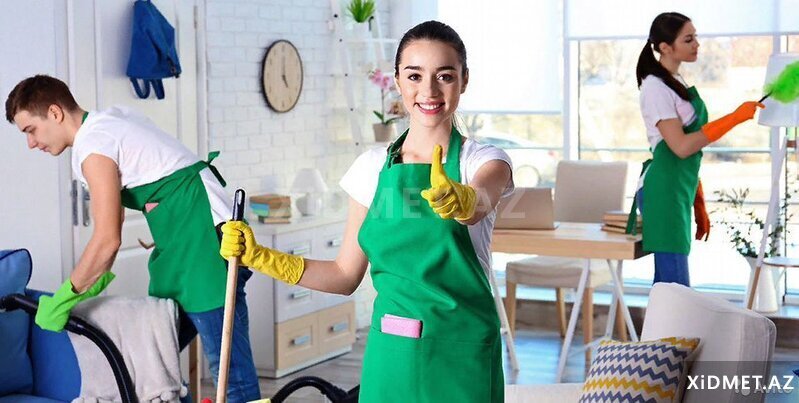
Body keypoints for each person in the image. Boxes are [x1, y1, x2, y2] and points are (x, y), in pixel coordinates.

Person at [219, 20, 514, 402]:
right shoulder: (371, 167)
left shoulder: (483, 160)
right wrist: (261, 257)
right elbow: (344, 275)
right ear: (397, 81)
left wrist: (464, 201)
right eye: (415, 76)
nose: (429, 90)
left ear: (464, 80)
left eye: (444, 76)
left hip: (462, 350)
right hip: (392, 350)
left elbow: (483, 198)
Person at [4, 75, 260, 401]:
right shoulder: (107, 123)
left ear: (55, 113)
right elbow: (126, 211)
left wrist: (64, 298)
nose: (31, 143)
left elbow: (107, 238)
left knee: (232, 375)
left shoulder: (94, 144)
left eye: (31, 130)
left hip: (203, 242)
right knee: (152, 348)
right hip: (182, 242)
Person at [631, 12, 764, 286]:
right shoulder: (655, 88)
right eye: (688, 39)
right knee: (676, 288)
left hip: (678, 188)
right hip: (664, 192)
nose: (697, 44)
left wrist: (697, 201)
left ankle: (662, 319)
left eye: (696, 37)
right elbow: (681, 147)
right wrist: (734, 118)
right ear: (665, 47)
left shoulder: (675, 81)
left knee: (667, 287)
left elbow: (690, 154)